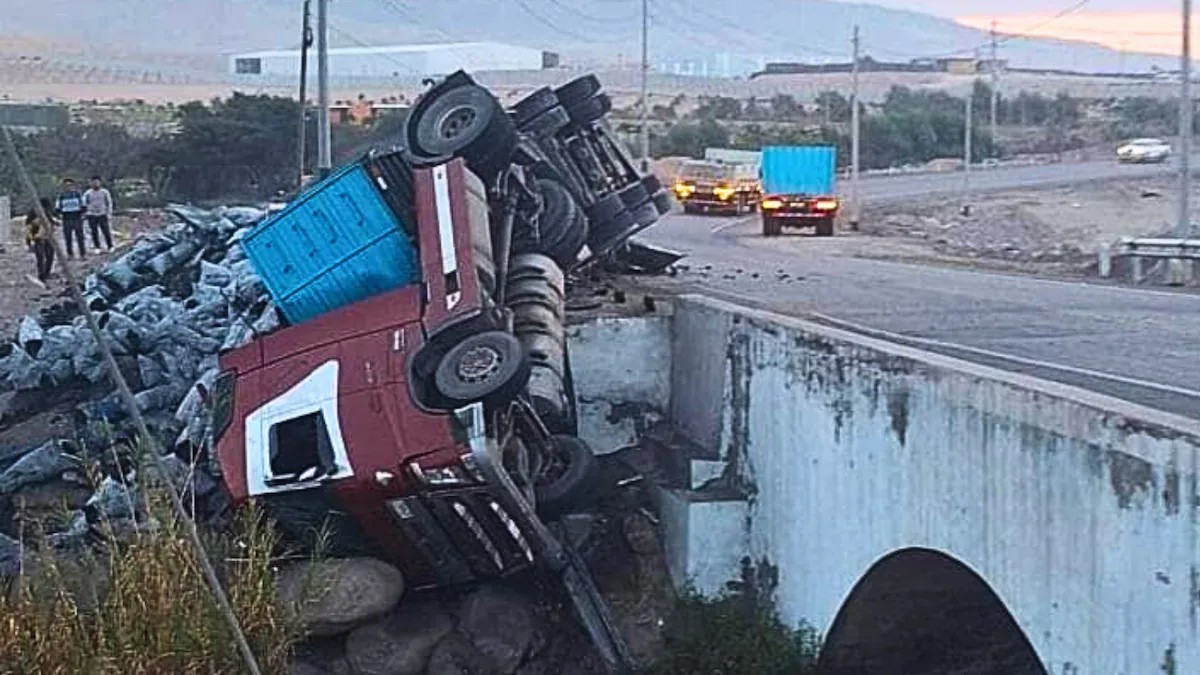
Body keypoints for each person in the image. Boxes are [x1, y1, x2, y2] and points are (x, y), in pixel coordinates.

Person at [25, 198, 56, 288]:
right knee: (40, 256)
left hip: (48, 236)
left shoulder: (48, 212)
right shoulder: (33, 213)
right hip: (37, 237)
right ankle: (41, 275)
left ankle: (47, 272)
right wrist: (29, 240)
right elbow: (28, 227)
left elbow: (52, 222)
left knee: (50, 255)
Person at [55, 178, 86, 259]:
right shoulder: (61, 196)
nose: (68, 187)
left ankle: (82, 254)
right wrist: (59, 216)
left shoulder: (78, 194)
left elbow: (83, 205)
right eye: (66, 185)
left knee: (80, 237)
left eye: (70, 185)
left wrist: (83, 215)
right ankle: (70, 254)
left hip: (77, 217)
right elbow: (57, 208)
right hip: (66, 218)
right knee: (68, 237)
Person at [83, 175, 114, 252]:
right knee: (94, 232)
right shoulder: (87, 193)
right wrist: (86, 213)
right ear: (90, 183)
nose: (95, 184)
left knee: (106, 231)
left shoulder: (105, 192)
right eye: (93, 182)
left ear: (100, 182)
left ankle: (110, 246)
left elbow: (109, 203)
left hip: (102, 214)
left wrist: (109, 213)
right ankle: (97, 247)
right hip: (92, 215)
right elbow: (84, 204)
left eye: (97, 182)